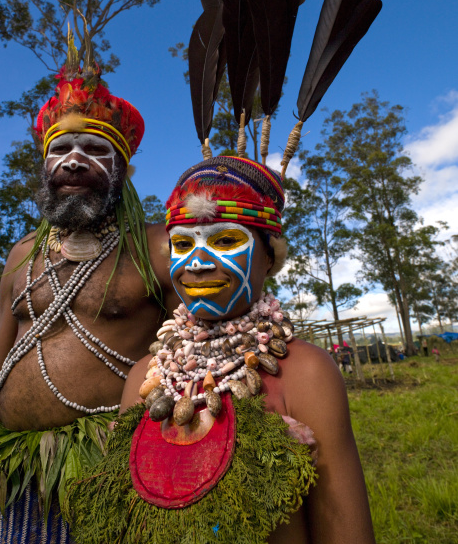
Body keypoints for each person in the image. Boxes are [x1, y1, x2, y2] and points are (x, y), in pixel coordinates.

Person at [68, 157, 376, 544]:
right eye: (182, 244)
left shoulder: (305, 371)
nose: (196, 263)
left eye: (225, 240)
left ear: (269, 258)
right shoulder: (147, 374)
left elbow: (344, 529)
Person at [0, 40, 180, 543]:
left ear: (123, 170)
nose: (73, 162)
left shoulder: (158, 246)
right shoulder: (23, 253)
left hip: (111, 472)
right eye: (60, 150)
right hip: (14, 480)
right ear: (44, 166)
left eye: (96, 150)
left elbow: (196, 356)